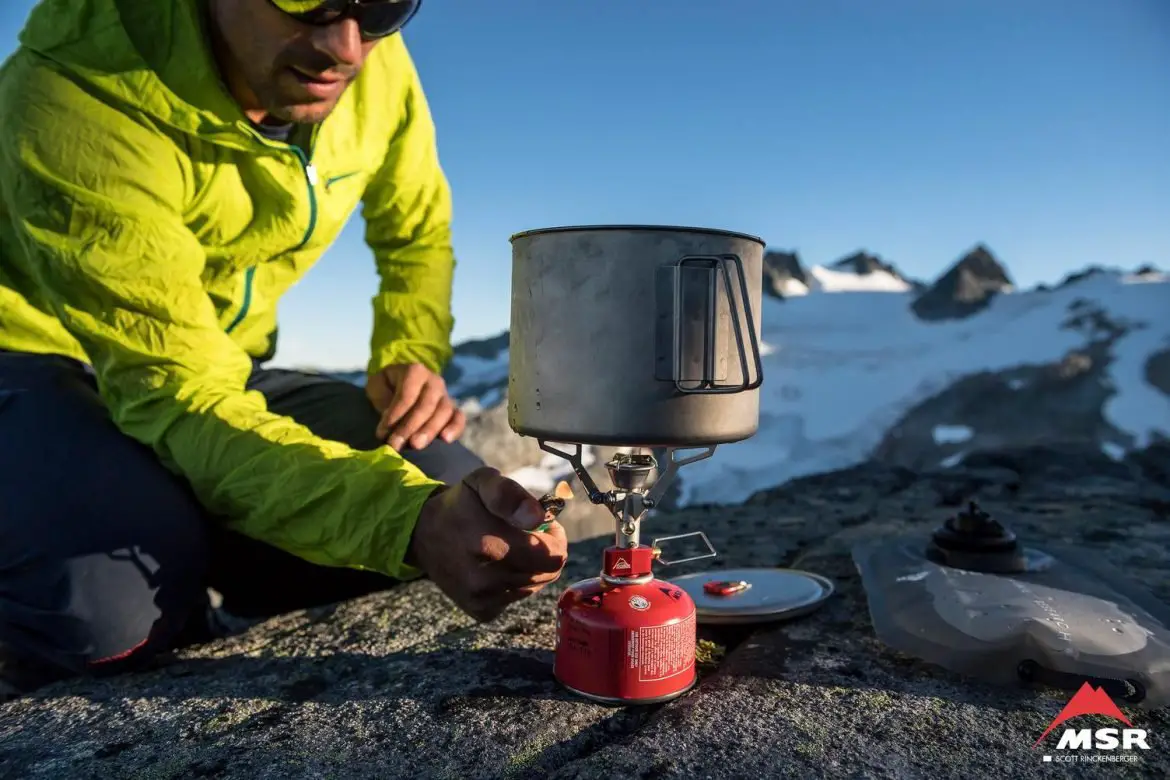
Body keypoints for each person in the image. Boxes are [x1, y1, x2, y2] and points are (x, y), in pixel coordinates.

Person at [0, 0, 568, 697]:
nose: (346, 49)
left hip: (220, 362)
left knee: (445, 481)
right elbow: (176, 392)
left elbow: (415, 229)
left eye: (382, 8)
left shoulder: (374, 57)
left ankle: (204, 553)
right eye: (306, 3)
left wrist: (407, 349)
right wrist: (398, 520)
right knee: (107, 618)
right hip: (37, 355)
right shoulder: (77, 91)